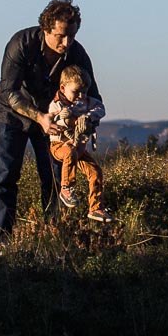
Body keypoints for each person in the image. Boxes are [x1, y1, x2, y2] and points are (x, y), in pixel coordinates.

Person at [0, 0, 105, 250]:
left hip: (55, 120)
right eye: (61, 36)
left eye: (72, 36)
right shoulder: (21, 44)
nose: (67, 43)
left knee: (54, 176)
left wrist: (88, 120)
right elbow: (9, 91)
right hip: (14, 114)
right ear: (46, 28)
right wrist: (39, 117)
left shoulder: (77, 53)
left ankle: (53, 235)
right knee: (6, 175)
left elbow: (93, 97)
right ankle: (0, 241)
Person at [47, 65, 110, 223]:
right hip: (60, 146)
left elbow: (101, 109)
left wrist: (87, 118)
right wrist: (64, 119)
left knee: (95, 172)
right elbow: (53, 121)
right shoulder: (56, 105)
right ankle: (66, 188)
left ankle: (96, 208)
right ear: (63, 87)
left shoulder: (87, 102)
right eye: (76, 92)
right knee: (69, 151)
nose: (81, 96)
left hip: (79, 149)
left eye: (84, 91)